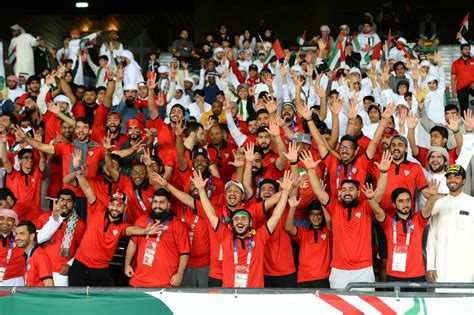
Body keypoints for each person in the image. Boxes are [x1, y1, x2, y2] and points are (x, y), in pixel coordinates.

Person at [301, 150, 392, 290]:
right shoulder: (334, 207)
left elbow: (379, 193)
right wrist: (311, 169)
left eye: (351, 189)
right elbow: (318, 191)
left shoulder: (366, 206)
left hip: (364, 269)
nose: (347, 192)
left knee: (365, 309)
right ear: (339, 194)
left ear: (358, 192)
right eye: (343, 189)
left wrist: (384, 172)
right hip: (339, 270)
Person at [193, 169, 294, 288]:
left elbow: (276, 216)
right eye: (236, 219)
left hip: (254, 296)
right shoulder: (226, 236)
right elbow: (210, 213)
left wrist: (286, 192)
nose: (240, 222)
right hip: (231, 295)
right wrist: (201, 190)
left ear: (250, 222)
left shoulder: (259, 238)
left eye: (244, 219)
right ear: (232, 223)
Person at [67, 167, 161, 286]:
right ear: (109, 204)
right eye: (113, 203)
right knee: (75, 300)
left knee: (97, 303)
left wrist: (145, 231)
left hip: (100, 271)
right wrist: (77, 168)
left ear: (124, 208)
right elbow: (86, 187)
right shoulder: (99, 209)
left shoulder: (122, 226)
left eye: (119, 205)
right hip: (79, 264)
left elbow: (132, 230)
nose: (115, 208)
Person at [363, 180, 440, 287]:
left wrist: (432, 197)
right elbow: (378, 212)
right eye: (401, 201)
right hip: (394, 275)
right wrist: (371, 199)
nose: (406, 204)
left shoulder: (418, 219)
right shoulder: (388, 222)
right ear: (394, 204)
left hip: (417, 275)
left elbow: (427, 209)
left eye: (408, 200)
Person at [124, 188, 190, 287]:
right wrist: (127, 264)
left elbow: (184, 253)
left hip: (164, 284)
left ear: (168, 205)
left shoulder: (179, 225)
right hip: (138, 281)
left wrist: (180, 274)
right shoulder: (141, 220)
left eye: (161, 202)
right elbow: (133, 243)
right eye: (155, 202)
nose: (157, 206)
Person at [427, 165, 474, 288]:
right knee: (443, 303)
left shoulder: (472, 203)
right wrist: (430, 265)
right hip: (442, 267)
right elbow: (432, 236)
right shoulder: (438, 204)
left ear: (464, 180)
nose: (452, 180)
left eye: (456, 176)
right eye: (449, 177)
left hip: (467, 268)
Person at [35, 189, 86, 286]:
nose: (65, 203)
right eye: (62, 200)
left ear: (74, 204)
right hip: (42, 268)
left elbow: (82, 248)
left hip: (62, 271)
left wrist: (70, 264)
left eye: (69, 201)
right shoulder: (44, 216)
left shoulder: (80, 224)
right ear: (57, 201)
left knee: (60, 300)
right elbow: (35, 239)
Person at [15, 221, 54, 286]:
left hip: (38, 296)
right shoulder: (26, 255)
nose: (17, 238)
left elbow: (49, 285)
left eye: (21, 234)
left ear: (31, 236)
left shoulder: (40, 255)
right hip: (30, 295)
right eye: (16, 234)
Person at [0, 209, 25, 286]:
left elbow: (41, 236)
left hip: (16, 282)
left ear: (15, 223)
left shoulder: (22, 239)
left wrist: (55, 220)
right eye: (1, 219)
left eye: (9, 219)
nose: (5, 222)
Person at [451, 44, 473, 117]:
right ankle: (465, 125)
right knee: (464, 110)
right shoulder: (455, 63)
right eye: (465, 49)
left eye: (469, 49)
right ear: (461, 50)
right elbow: (453, 78)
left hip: (472, 85)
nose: (467, 51)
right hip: (461, 88)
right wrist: (454, 91)